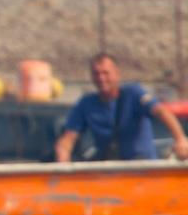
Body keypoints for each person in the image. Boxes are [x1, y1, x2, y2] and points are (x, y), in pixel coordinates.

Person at [54, 53, 188, 163]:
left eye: (106, 73)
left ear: (117, 74)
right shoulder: (86, 103)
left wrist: (180, 139)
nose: (101, 78)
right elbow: (68, 138)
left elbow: (161, 112)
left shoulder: (133, 94)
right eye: (97, 73)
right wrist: (63, 156)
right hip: (110, 171)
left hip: (142, 168)